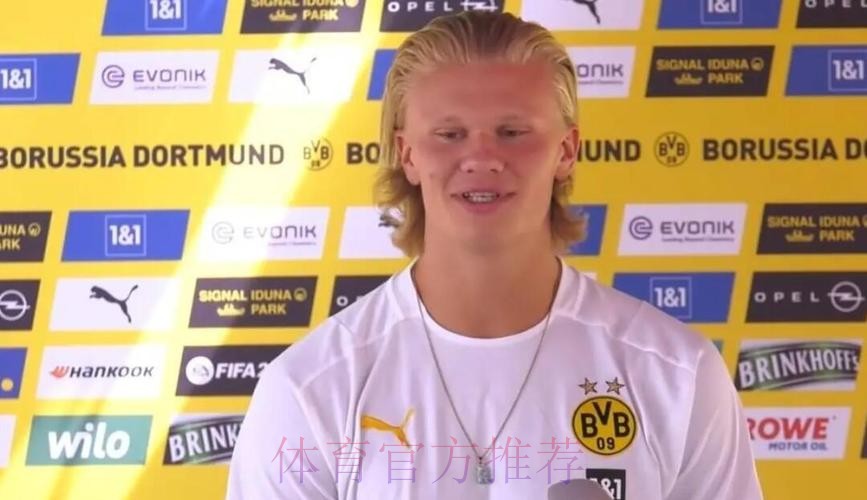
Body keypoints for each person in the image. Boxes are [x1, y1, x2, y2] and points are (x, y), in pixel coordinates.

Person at [226, 11, 763, 500]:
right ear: (406, 153)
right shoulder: (309, 388)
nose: (481, 158)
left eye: (512, 132)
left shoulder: (676, 374)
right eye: (449, 134)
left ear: (566, 150)